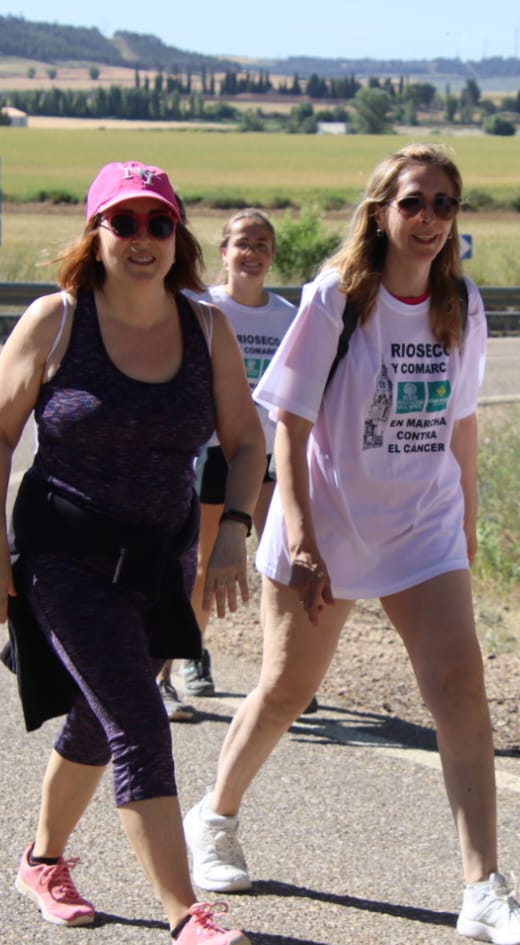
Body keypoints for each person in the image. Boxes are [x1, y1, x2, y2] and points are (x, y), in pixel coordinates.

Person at [182, 143, 520, 945]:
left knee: (460, 688)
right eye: (414, 203)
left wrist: (467, 523)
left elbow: (461, 421)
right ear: (381, 211)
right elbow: (287, 420)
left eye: (445, 205)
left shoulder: (462, 302)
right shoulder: (335, 298)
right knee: (285, 689)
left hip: (421, 526)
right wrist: (305, 539)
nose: (429, 220)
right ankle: (213, 818)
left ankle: (483, 888)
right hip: (328, 519)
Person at [0, 160, 266, 945]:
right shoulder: (58, 320)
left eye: (157, 224)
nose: (141, 239)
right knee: (138, 718)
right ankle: (189, 921)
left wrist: (232, 532)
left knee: (99, 721)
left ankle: (40, 861)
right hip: (64, 554)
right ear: (94, 235)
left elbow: (245, 442)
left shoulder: (206, 330)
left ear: (178, 239)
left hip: (162, 559)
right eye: (123, 223)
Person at [157, 210, 321, 717]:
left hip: (274, 454)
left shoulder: (289, 315)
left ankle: (286, 678)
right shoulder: (199, 306)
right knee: (203, 566)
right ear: (224, 252)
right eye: (243, 244)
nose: (253, 253)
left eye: (263, 244)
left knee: (282, 565)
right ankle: (176, 666)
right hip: (214, 451)